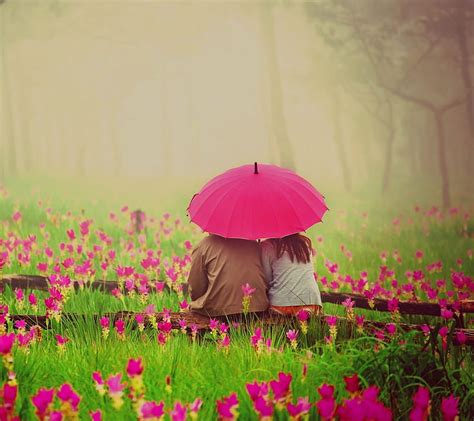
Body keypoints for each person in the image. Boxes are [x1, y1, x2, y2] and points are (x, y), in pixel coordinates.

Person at [187, 234, 269, 316]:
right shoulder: (254, 244)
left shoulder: (204, 245)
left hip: (218, 310)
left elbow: (196, 287)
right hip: (258, 308)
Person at [260, 233, 322, 315]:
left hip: (280, 306)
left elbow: (267, 279)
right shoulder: (305, 243)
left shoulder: (266, 246)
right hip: (312, 302)